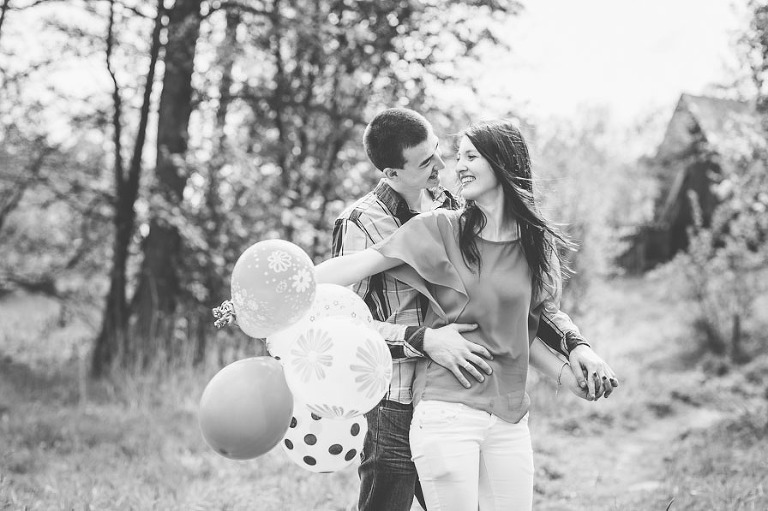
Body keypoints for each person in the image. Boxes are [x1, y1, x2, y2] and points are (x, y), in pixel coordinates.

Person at [330, 108, 617, 511]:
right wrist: (423, 340)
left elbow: (526, 313)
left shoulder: (459, 210)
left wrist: (575, 347)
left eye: (443, 151)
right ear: (393, 172)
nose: (444, 165)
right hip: (396, 396)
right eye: (427, 161)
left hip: (482, 402)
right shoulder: (365, 222)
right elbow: (346, 321)